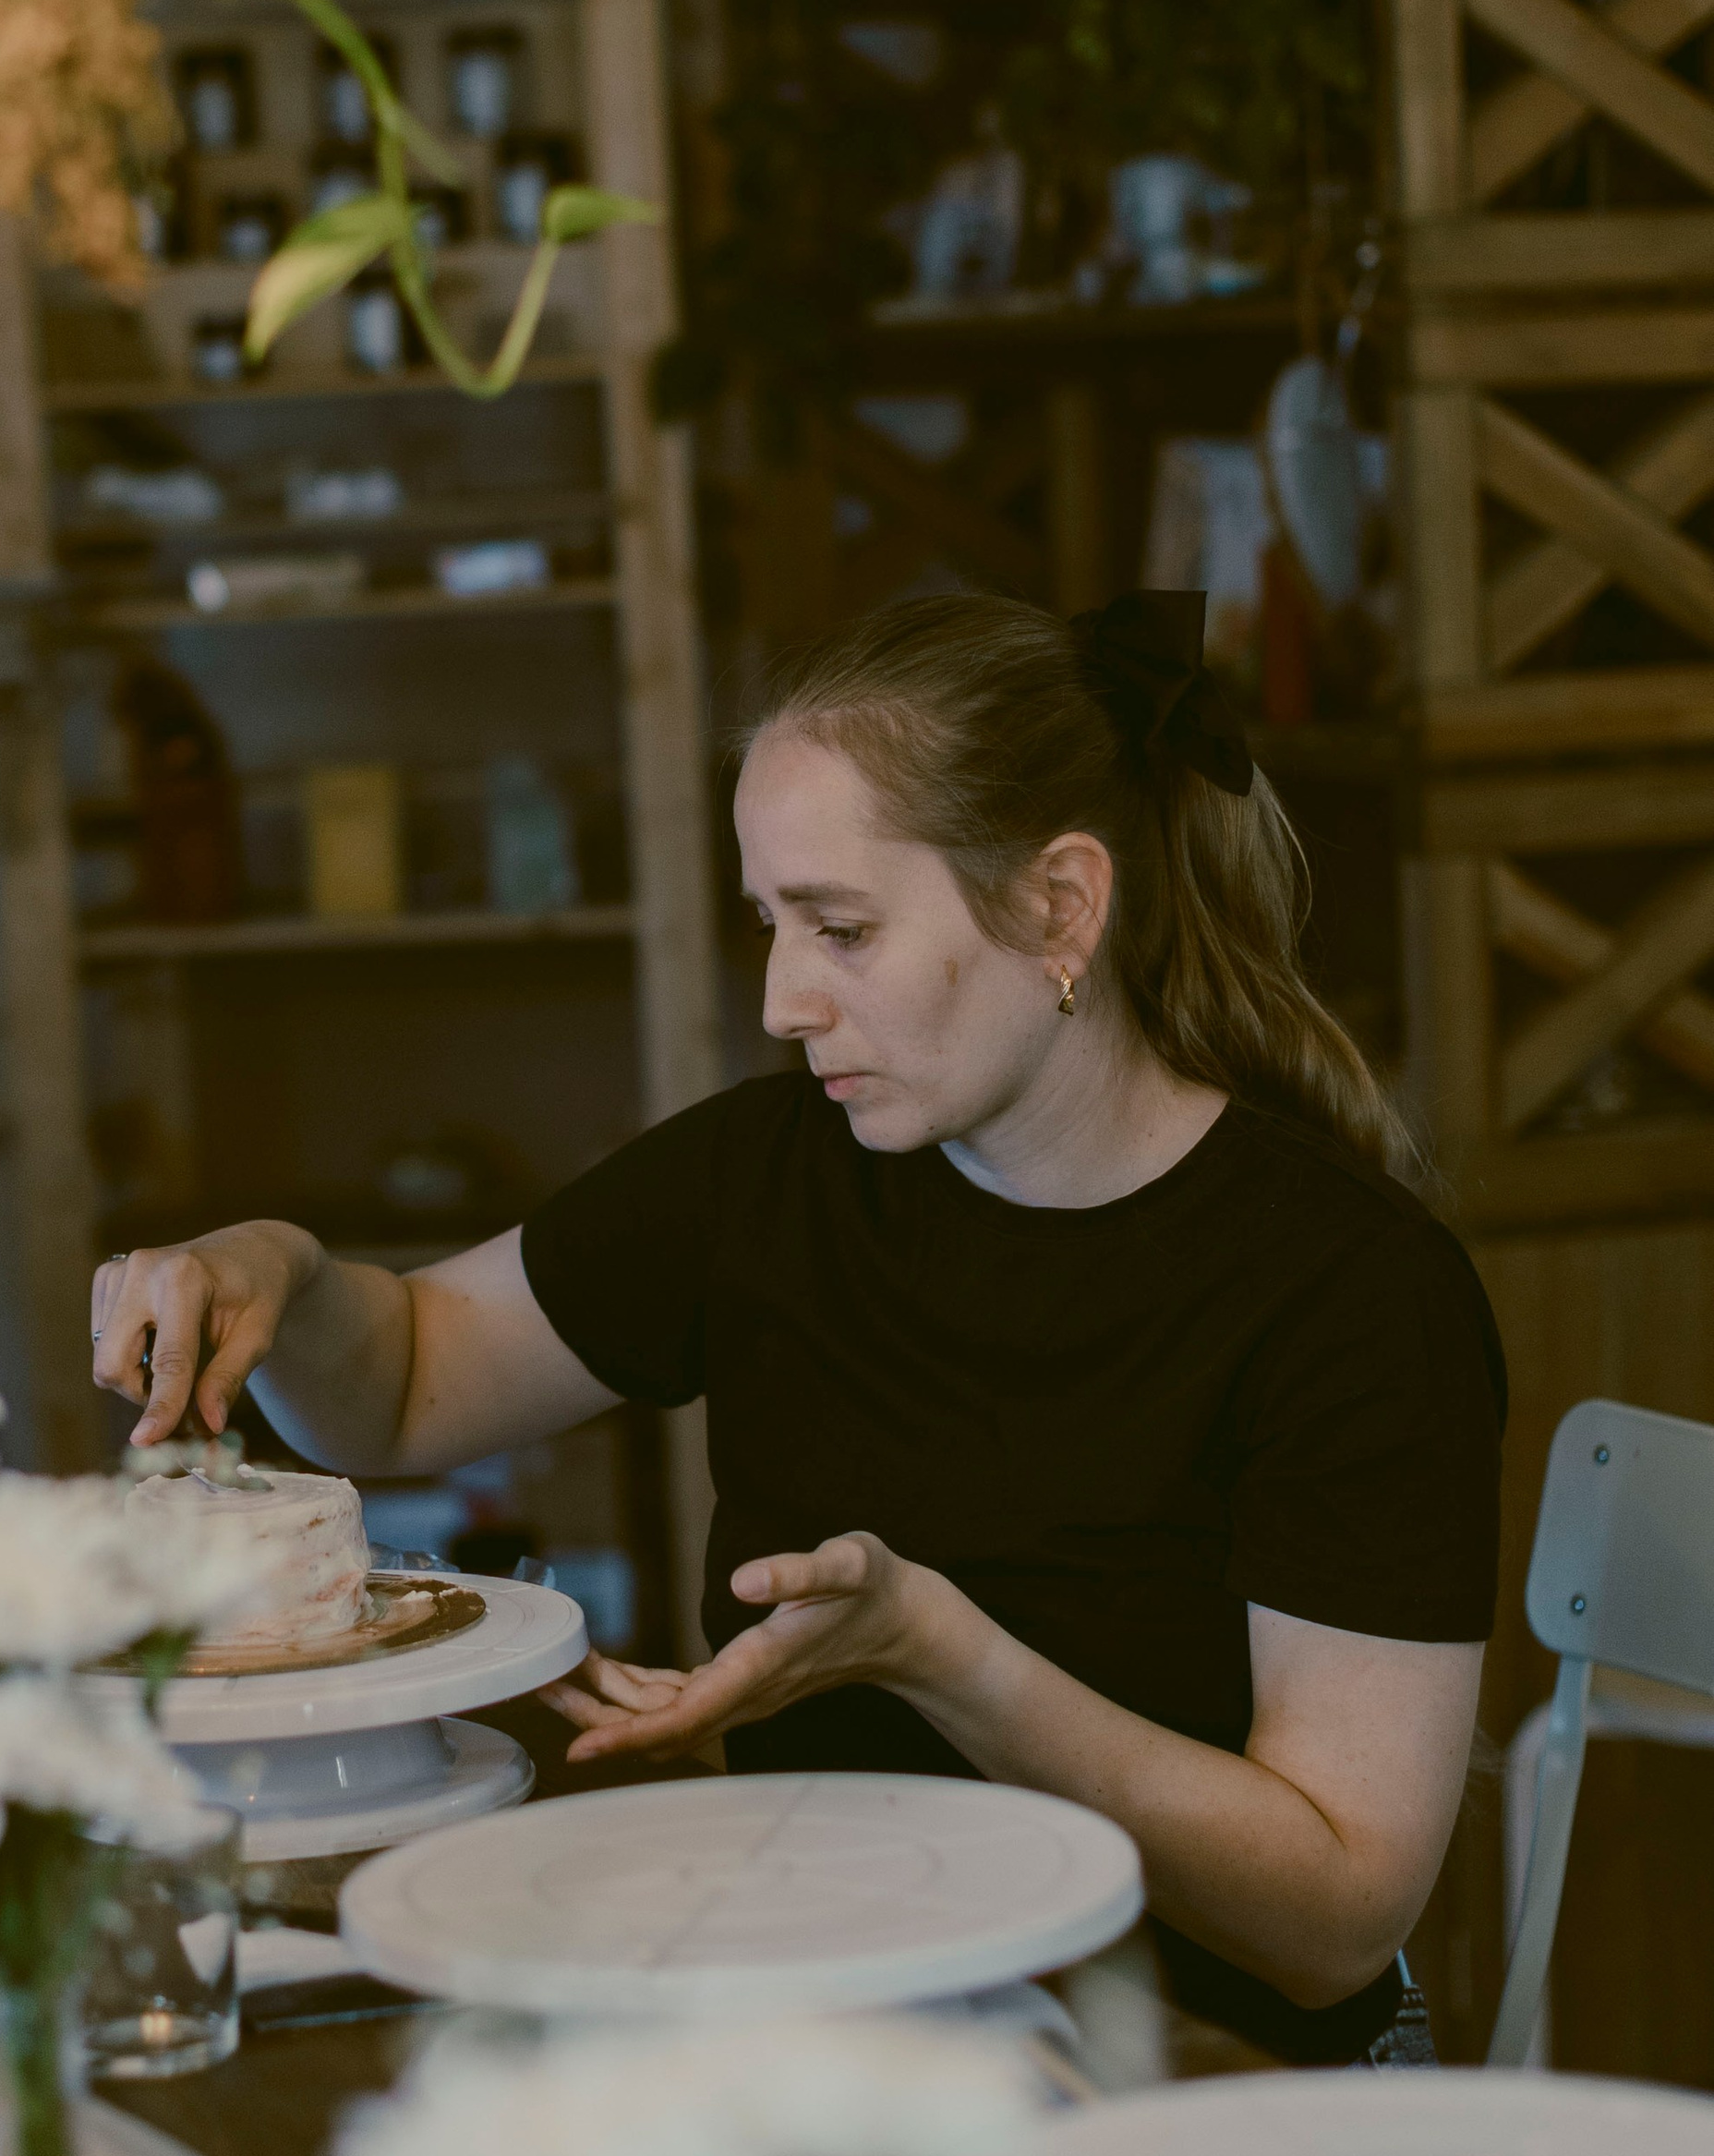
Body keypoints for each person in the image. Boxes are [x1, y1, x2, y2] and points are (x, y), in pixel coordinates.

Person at [90, 589, 1502, 2065]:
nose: (779, 1001)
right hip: (810, 2004)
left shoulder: (1351, 1295)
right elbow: (405, 1387)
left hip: (1191, 2073)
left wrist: (940, 1654)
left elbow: (1336, 1916)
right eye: (771, 924)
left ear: (1061, 907)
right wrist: (286, 1269)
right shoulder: (777, 1178)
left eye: (842, 929)